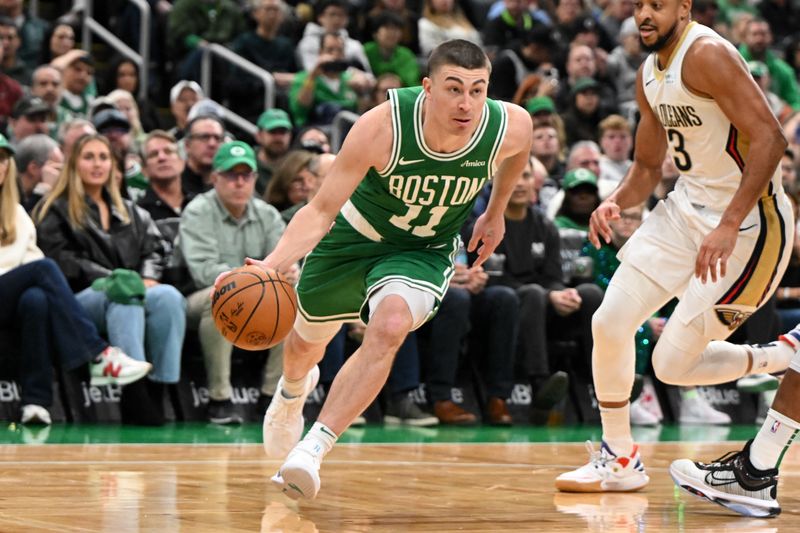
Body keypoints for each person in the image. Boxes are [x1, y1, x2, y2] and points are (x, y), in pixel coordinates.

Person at [239, 39, 531, 500]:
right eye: (454, 89)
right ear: (428, 88)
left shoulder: (507, 124)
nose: (466, 103)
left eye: (478, 90)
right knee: (302, 347)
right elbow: (319, 210)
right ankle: (293, 391)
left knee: (390, 325)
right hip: (352, 241)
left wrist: (494, 213)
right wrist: (274, 266)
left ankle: (312, 449)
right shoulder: (381, 127)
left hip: (424, 249)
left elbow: (518, 153)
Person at [555, 3, 793, 493]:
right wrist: (614, 202)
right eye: (639, 5)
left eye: (657, 5)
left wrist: (727, 223)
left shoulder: (706, 54)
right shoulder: (648, 72)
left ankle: (780, 354)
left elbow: (770, 137)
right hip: (685, 209)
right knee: (609, 321)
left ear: (683, 7)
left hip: (750, 224)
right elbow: (646, 168)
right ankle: (620, 458)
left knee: (671, 365)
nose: (645, 14)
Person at [34, 134, 187, 426]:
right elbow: (61, 261)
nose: (97, 164)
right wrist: (113, 279)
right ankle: (134, 394)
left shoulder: (132, 211)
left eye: (103, 157)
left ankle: (159, 388)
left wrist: (147, 277)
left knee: (169, 298)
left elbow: (155, 249)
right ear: (73, 164)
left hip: (131, 290)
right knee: (123, 295)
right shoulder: (54, 208)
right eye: (88, 157)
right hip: (79, 299)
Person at [0, 132, 151, 425]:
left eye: (3, 159)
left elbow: (28, 262)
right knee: (45, 269)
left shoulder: (16, 214)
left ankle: (36, 402)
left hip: (8, 296)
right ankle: (99, 355)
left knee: (37, 298)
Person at [180, 141, 288, 424]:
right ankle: (220, 400)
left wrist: (288, 274)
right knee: (218, 301)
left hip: (257, 294)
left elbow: (286, 261)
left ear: (254, 178)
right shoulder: (198, 211)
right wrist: (257, 281)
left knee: (290, 304)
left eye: (246, 175)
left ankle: (270, 396)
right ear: (214, 178)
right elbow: (204, 271)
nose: (239, 182)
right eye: (231, 175)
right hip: (197, 296)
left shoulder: (267, 214)